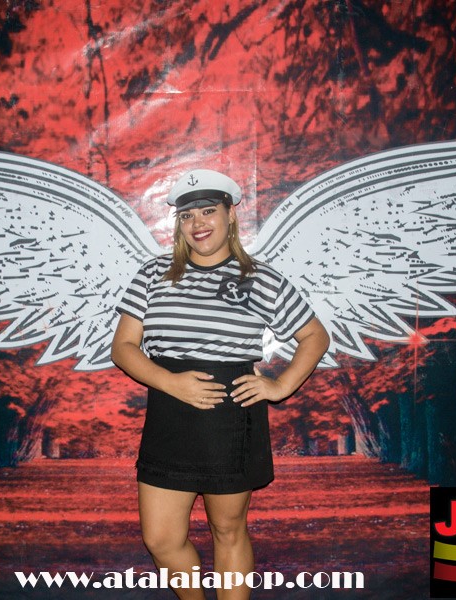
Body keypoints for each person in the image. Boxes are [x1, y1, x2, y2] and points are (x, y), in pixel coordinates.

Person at [111, 169, 330, 599]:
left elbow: (315, 336)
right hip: (169, 413)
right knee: (160, 539)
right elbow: (123, 348)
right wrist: (172, 383)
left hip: (231, 417)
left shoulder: (261, 278)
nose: (198, 223)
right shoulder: (154, 274)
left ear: (230, 215)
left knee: (227, 530)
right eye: (187, 215)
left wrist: (280, 386)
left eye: (208, 211)